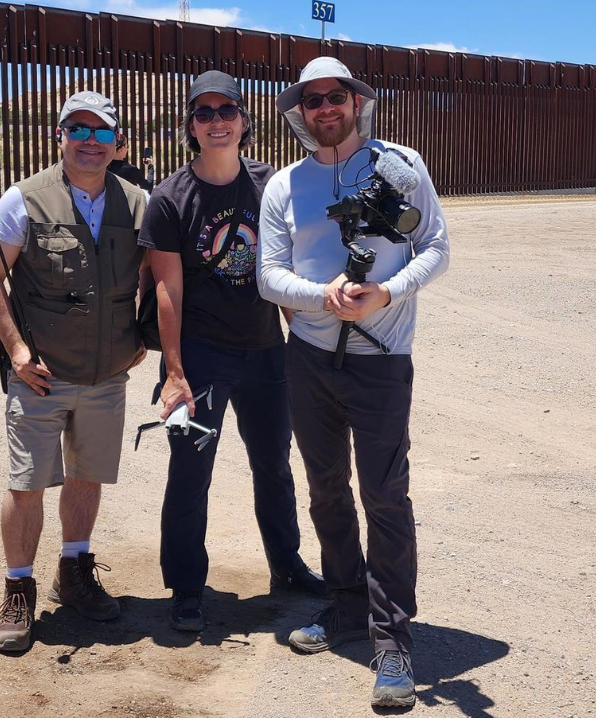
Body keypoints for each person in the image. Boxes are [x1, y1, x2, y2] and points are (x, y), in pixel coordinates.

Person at [256, 57, 450, 707]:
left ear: (356, 101)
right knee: (326, 491)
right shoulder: (285, 185)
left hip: (382, 362)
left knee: (385, 496)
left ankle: (392, 636)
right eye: (312, 101)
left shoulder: (403, 164)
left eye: (335, 96)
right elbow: (268, 275)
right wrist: (325, 295)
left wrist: (386, 292)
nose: (324, 108)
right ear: (300, 112)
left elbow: (437, 248)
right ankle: (345, 605)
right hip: (309, 360)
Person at [138, 70, 326, 632]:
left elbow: (284, 270)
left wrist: (304, 346)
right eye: (204, 113)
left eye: (226, 111)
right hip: (203, 358)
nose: (216, 122)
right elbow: (168, 288)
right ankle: (187, 586)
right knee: (191, 471)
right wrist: (174, 374)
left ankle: (286, 565)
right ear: (190, 126)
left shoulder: (270, 186)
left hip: (267, 353)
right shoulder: (170, 200)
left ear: (244, 121)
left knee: (274, 464)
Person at [0, 90, 149, 653]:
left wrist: (141, 338)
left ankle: (74, 572)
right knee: (27, 484)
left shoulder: (138, 202)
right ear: (60, 136)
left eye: (102, 132)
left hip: (106, 375)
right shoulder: (23, 200)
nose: (90, 142)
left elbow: (157, 277)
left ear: (117, 143)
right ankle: (18, 588)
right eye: (78, 129)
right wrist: (18, 352)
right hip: (41, 376)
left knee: (87, 476)